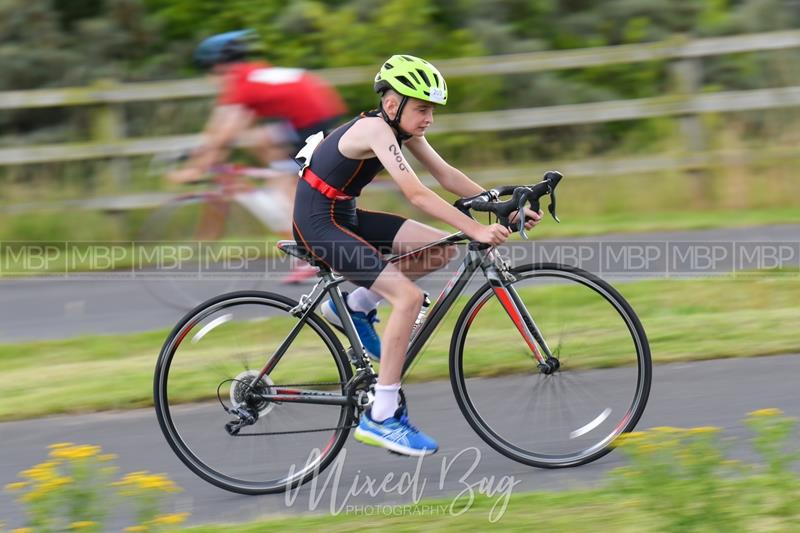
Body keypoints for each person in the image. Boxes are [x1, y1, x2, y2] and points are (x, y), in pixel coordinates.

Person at [292, 54, 542, 456]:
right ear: (393, 105)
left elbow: (446, 177)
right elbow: (416, 193)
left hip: (345, 216)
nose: (429, 118)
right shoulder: (375, 129)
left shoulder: (401, 130)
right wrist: (475, 228)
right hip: (318, 223)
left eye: (432, 110)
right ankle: (381, 418)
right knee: (406, 298)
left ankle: (353, 307)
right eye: (423, 109)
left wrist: (504, 207)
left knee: (441, 249)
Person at [169, 29, 347, 283]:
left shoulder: (239, 84)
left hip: (311, 120)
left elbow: (222, 134)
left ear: (219, 67)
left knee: (280, 189)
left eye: (208, 71)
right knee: (260, 140)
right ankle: (282, 178)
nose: (210, 78)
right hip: (313, 112)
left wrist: (196, 168)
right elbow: (231, 126)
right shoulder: (250, 75)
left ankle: (309, 257)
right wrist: (208, 154)